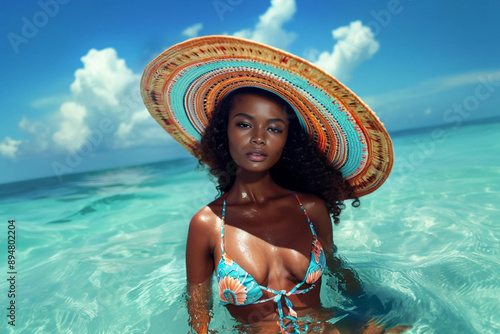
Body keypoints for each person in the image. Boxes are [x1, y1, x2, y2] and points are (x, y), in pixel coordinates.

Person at [141, 36, 408, 333]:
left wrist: (376, 312)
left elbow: (339, 272)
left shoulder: (310, 208)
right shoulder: (206, 224)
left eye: (274, 128)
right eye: (244, 124)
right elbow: (199, 313)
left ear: (287, 140)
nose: (258, 138)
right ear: (223, 131)